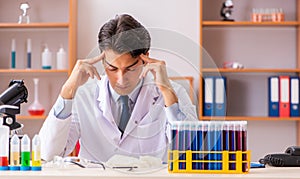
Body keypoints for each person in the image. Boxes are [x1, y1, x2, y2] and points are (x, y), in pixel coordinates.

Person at [39, 14, 197, 163]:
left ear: (145, 59)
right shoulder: (83, 94)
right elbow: (48, 154)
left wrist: (167, 93)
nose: (121, 79)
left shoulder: (172, 93)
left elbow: (190, 151)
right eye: (113, 68)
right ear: (102, 60)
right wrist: (67, 92)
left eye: (130, 68)